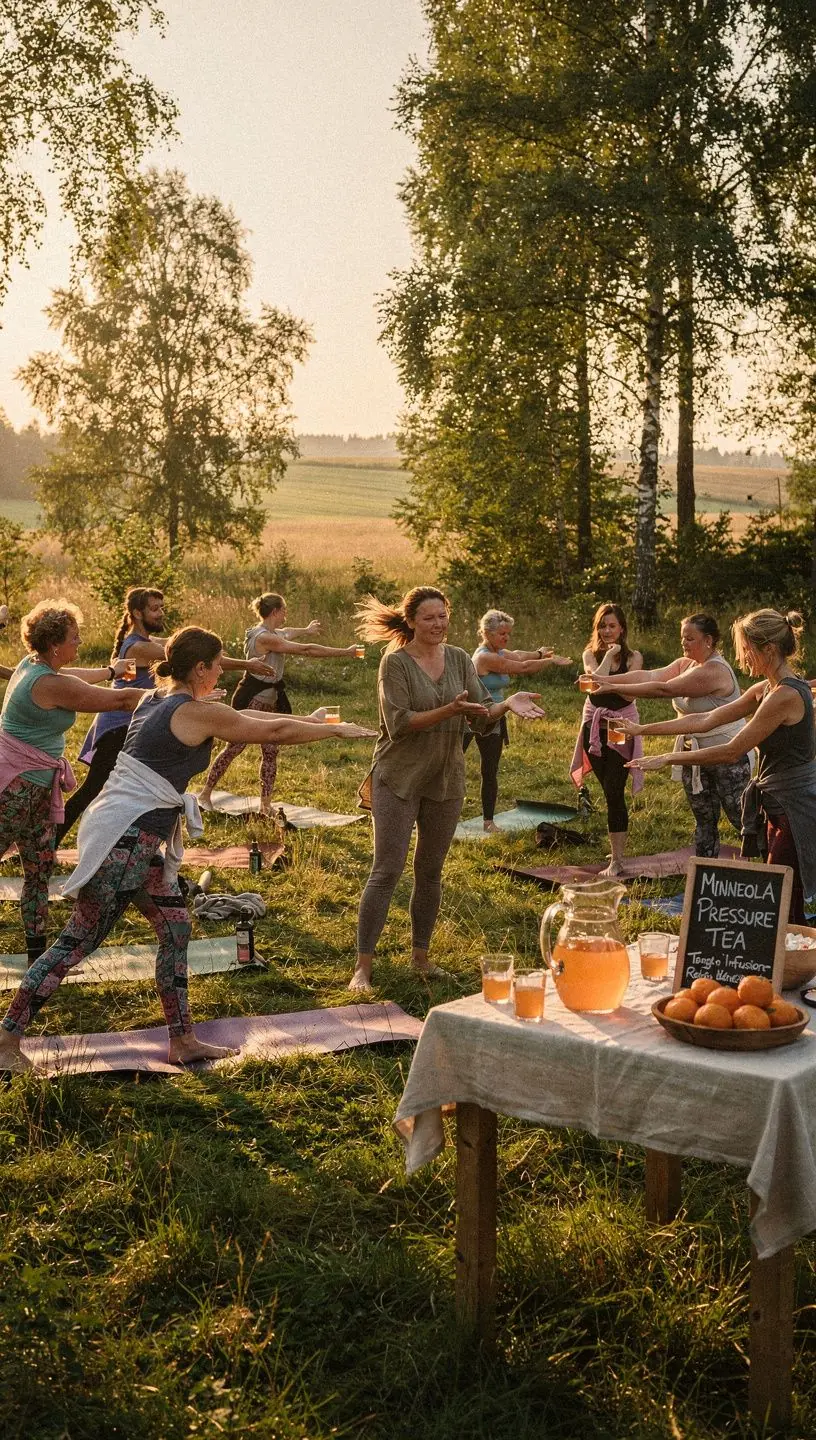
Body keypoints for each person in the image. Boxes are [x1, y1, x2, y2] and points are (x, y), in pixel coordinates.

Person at [0, 625, 377, 1072]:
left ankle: (182, 1040)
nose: (221, 671)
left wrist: (313, 721)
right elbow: (267, 727)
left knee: (176, 928)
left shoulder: (156, 698)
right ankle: (6, 1040)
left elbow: (249, 721)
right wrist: (328, 732)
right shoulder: (190, 712)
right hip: (125, 840)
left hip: (130, 836)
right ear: (200, 668)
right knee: (76, 942)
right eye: (217, 665)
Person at [350, 586, 546, 991]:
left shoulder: (458, 658)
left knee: (430, 871)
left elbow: (480, 716)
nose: (438, 624)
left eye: (443, 616)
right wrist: (451, 710)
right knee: (387, 870)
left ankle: (421, 957)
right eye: (428, 618)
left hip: (445, 777)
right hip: (398, 776)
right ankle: (362, 969)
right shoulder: (396, 664)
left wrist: (505, 706)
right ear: (411, 622)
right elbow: (399, 723)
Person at [626, 609, 816, 923]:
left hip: (795, 808)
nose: (741, 659)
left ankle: (791, 965)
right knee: (783, 898)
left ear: (768, 649)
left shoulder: (784, 696)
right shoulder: (764, 690)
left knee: (782, 899)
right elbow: (706, 719)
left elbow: (731, 751)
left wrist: (669, 758)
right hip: (777, 804)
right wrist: (640, 730)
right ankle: (785, 964)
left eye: (746, 650)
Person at [57, 586, 281, 843]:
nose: (160, 613)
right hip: (120, 725)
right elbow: (191, 656)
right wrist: (246, 664)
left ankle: (130, 845)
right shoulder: (136, 648)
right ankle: (51, 845)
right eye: (154, 608)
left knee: (112, 791)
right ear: (137, 613)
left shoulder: (145, 643)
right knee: (94, 791)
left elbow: (170, 650)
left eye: (161, 607)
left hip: (134, 723)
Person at [0, 600, 148, 965]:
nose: (79, 642)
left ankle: (36, 954)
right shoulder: (48, 683)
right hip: (14, 786)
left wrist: (110, 668)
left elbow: (79, 676)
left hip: (37, 785)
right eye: (74, 638)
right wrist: (180, 698)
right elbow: (123, 698)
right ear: (55, 645)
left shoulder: (34, 663)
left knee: (40, 870)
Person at [589, 613, 750, 857]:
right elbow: (651, 676)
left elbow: (664, 689)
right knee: (703, 819)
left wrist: (613, 687)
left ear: (708, 640)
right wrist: (604, 679)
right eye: (682, 638)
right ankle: (705, 875)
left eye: (690, 639)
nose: (684, 643)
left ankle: (780, 871)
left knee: (741, 819)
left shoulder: (714, 671)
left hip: (727, 755)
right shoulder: (686, 664)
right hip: (693, 753)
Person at [198, 592, 360, 816]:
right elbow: (306, 650)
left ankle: (265, 805)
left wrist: (306, 629)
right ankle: (205, 794)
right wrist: (346, 652)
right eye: (284, 610)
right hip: (252, 700)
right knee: (234, 748)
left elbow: (289, 632)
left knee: (271, 752)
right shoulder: (264, 638)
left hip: (270, 701)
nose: (286, 614)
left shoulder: (272, 632)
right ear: (275, 612)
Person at [465, 609, 572, 831]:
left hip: (495, 715)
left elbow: (520, 655)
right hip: (470, 715)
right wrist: (550, 661)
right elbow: (521, 667)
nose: (506, 638)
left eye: (508, 633)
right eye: (502, 634)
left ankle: (488, 822)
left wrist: (539, 654)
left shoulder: (500, 652)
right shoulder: (484, 656)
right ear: (486, 633)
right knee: (447, 766)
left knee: (490, 769)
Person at [571, 603, 644, 875]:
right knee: (606, 787)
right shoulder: (589, 653)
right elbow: (594, 679)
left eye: (612, 626)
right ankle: (617, 845)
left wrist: (605, 682)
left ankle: (617, 860)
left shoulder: (634, 658)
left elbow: (628, 695)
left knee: (615, 790)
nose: (607, 631)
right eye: (602, 626)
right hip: (594, 724)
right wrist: (606, 660)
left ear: (622, 628)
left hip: (620, 724)